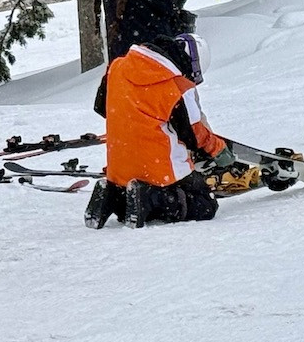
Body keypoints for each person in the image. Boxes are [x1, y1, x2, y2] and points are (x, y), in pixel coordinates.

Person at [84, 34, 235, 229]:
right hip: (156, 170)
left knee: (126, 197)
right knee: (203, 204)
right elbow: (194, 135)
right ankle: (149, 197)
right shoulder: (174, 85)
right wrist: (219, 150)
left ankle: (111, 195)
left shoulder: (117, 67)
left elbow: (101, 107)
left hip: (119, 168)